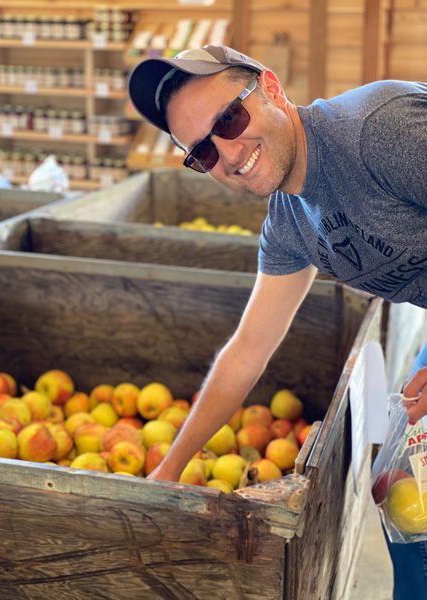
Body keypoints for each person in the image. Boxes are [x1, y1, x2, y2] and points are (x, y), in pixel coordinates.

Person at [128, 45, 427, 597]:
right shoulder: (290, 224)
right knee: (411, 517)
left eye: (228, 119)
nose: (226, 151)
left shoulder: (379, 130)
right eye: (202, 152)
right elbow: (247, 351)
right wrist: (168, 470)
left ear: (270, 87)